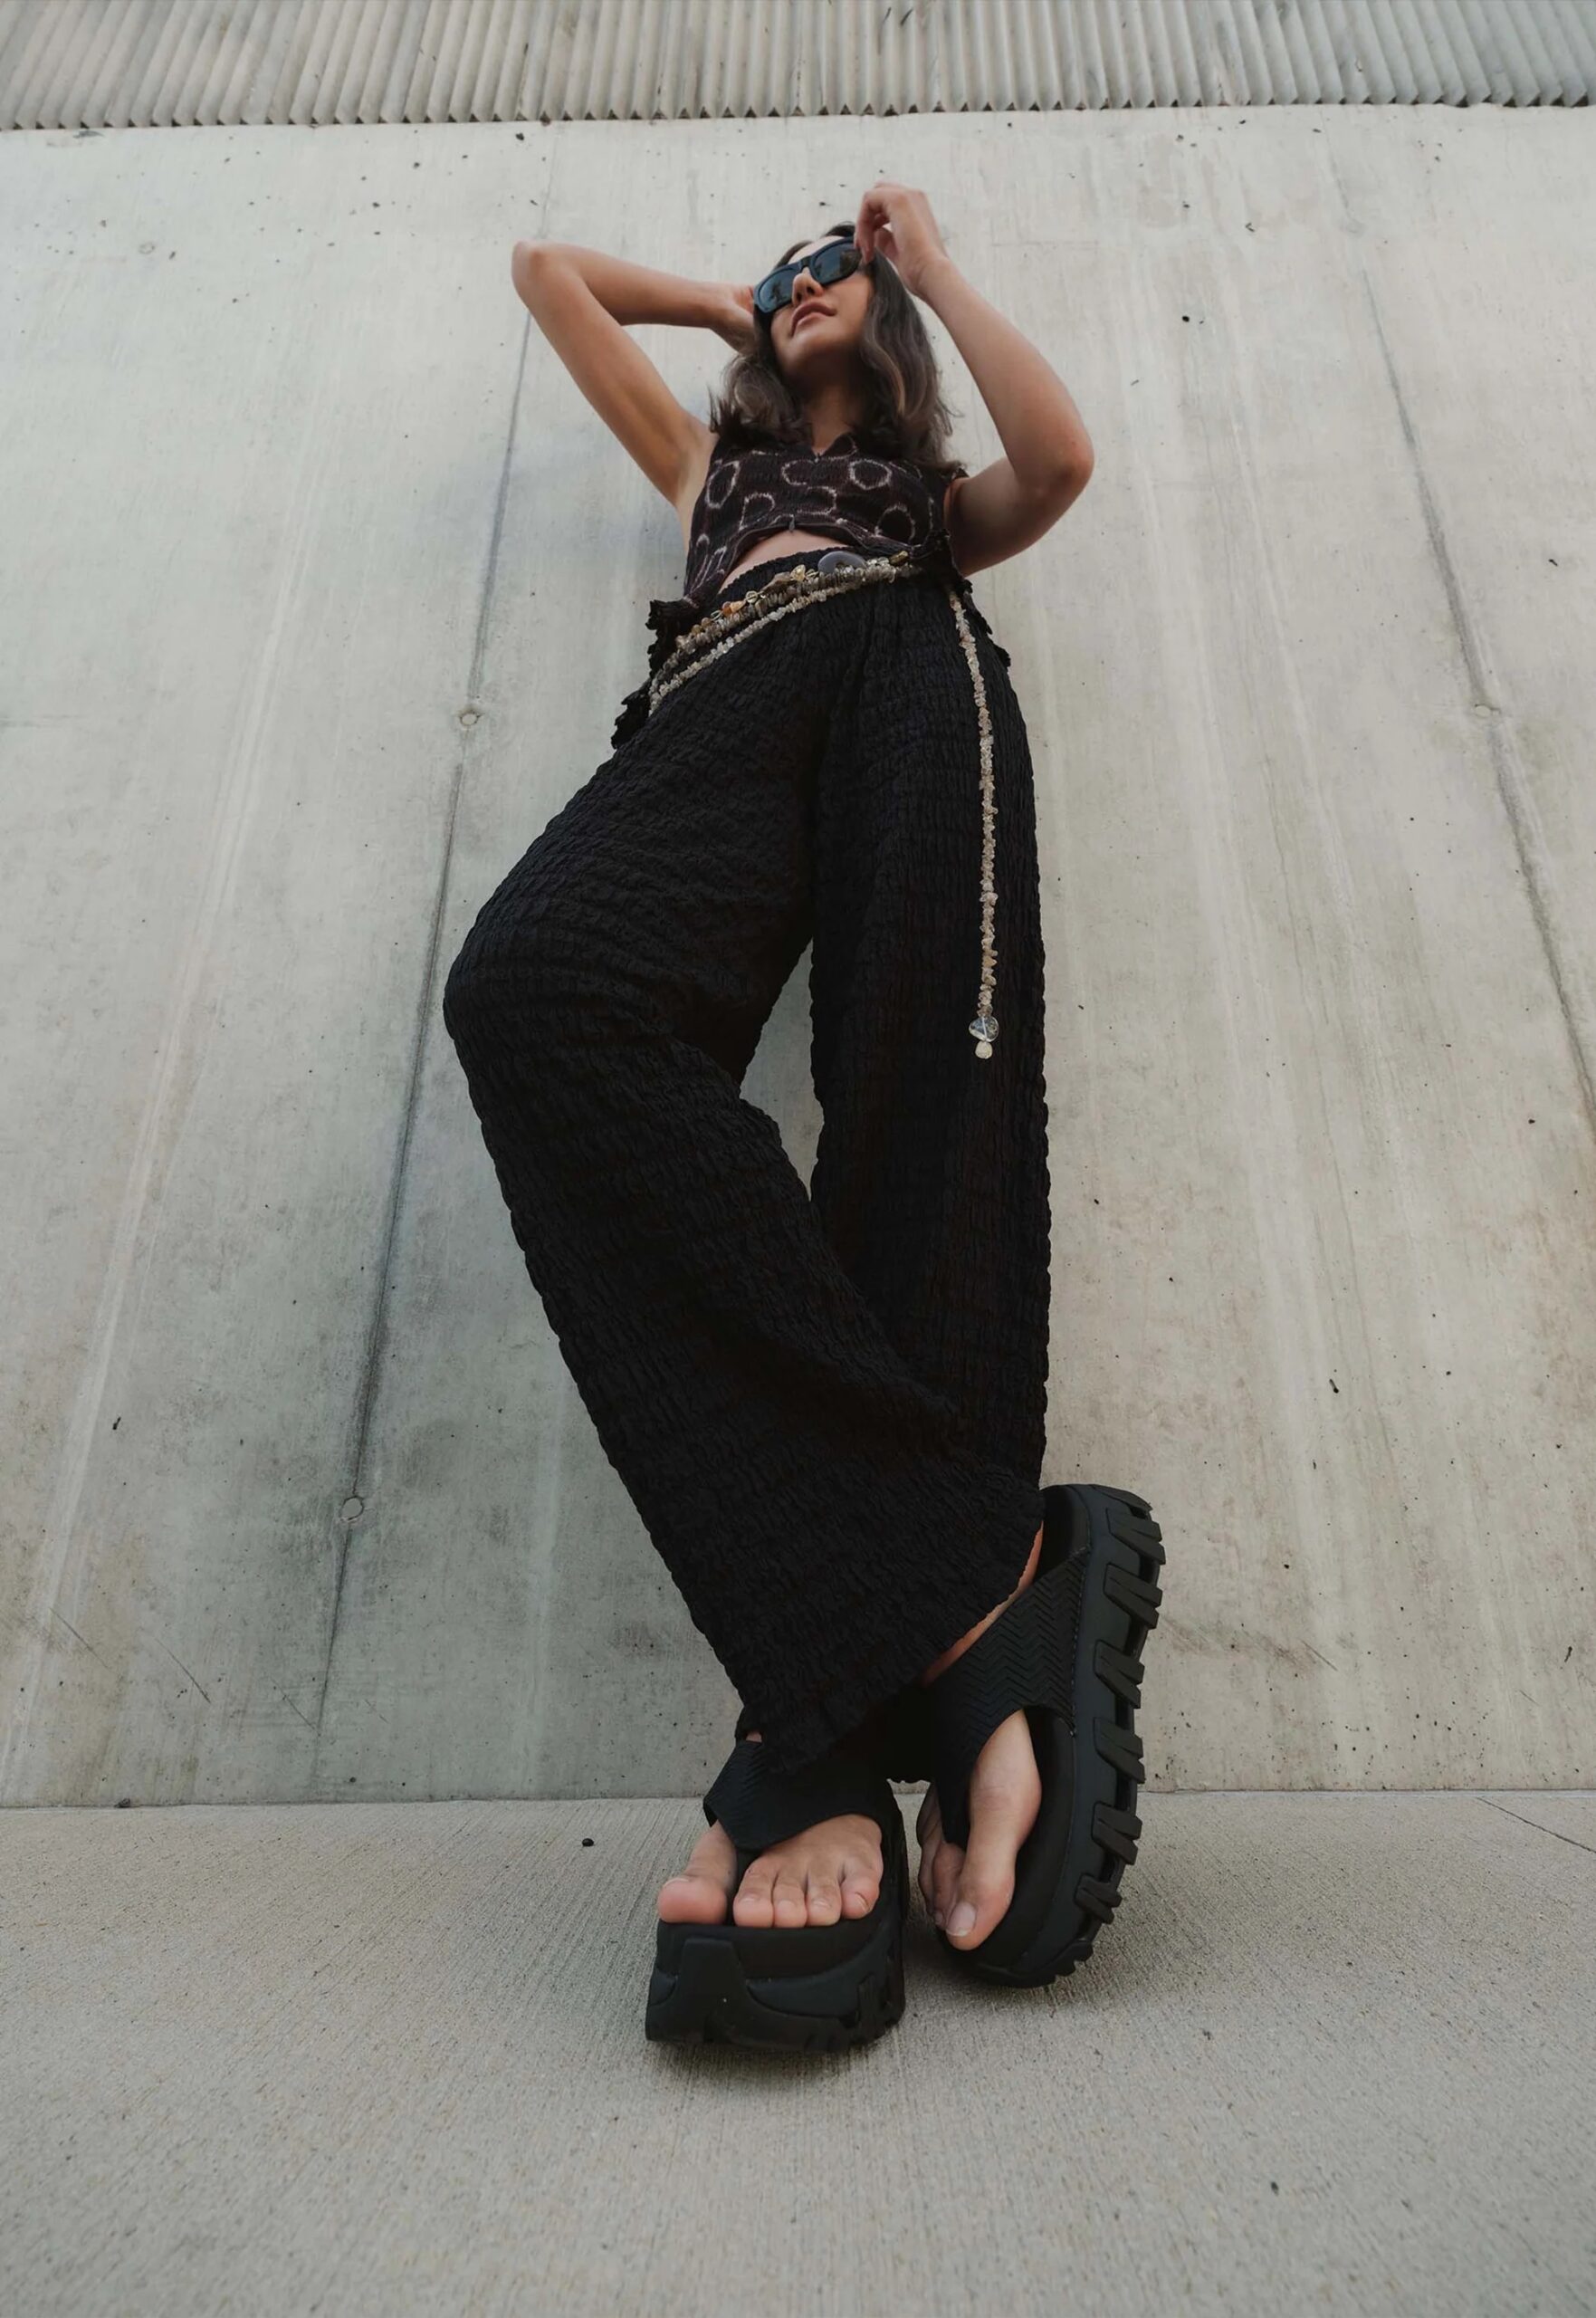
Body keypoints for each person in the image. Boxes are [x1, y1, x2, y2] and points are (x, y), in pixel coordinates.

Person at [442, 184, 1164, 2052]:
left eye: (836, 270)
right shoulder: (711, 468)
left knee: (920, 1123)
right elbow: (547, 273)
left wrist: (921, 267)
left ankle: (816, 1728)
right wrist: (737, 306)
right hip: (721, 701)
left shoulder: (928, 505)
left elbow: (1063, 457)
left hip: (910, 671)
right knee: (538, 993)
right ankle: (974, 1584)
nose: (816, 281)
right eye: (802, 271)